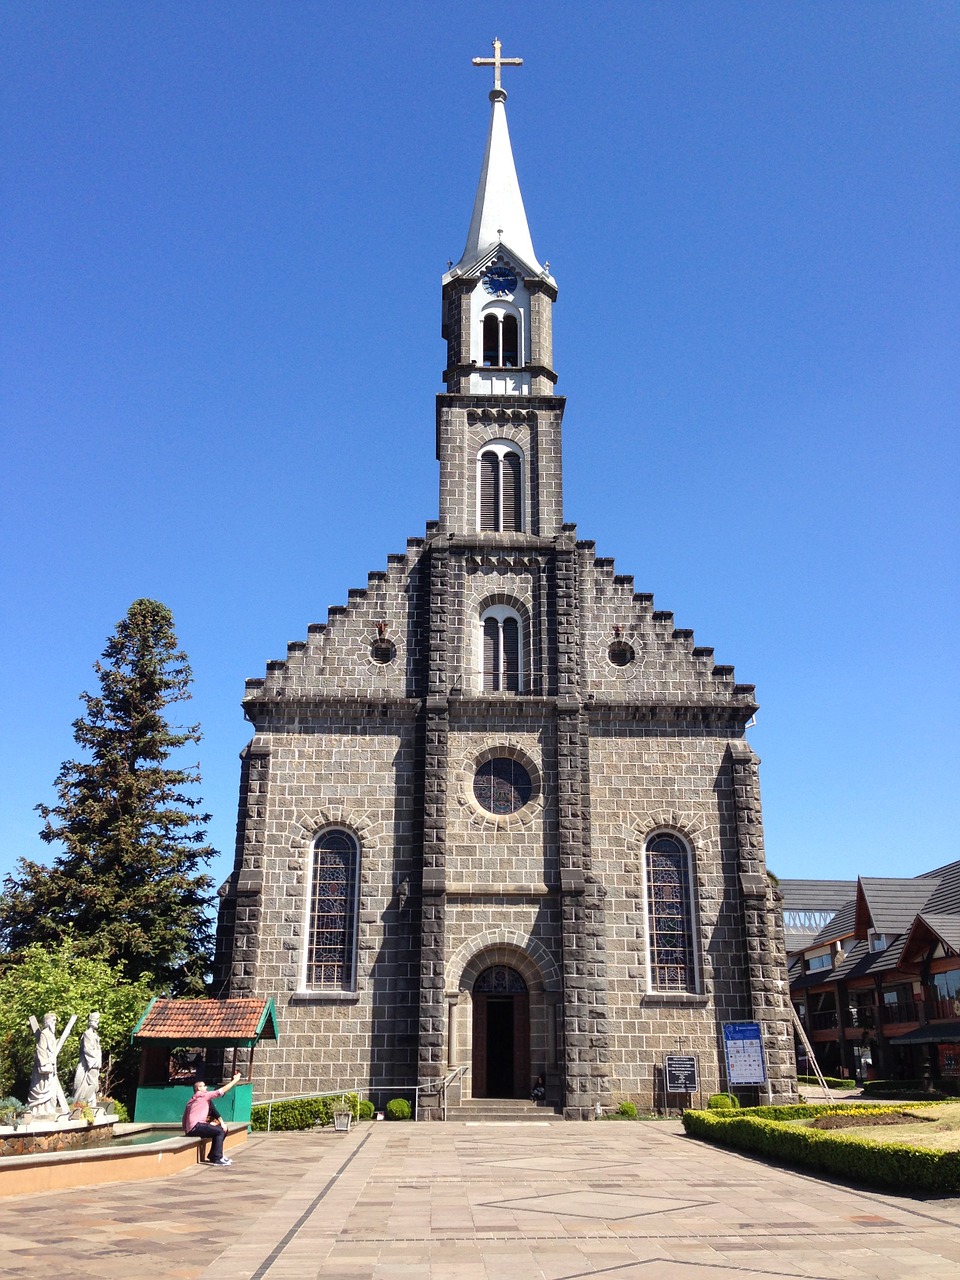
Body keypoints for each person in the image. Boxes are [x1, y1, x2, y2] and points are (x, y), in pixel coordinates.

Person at [182, 1072, 242, 1166]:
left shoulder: (192, 1099)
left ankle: (214, 1155)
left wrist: (186, 1130)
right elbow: (222, 1091)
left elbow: (185, 1117)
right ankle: (217, 1158)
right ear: (199, 1088)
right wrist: (235, 1080)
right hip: (196, 1127)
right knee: (220, 1131)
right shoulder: (203, 1096)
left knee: (220, 1130)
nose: (206, 1087)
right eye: (204, 1086)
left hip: (193, 1128)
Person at [27, 1013, 60, 1114]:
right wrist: (45, 1064)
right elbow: (41, 1049)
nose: (55, 1023)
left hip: (51, 1067)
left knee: (52, 1091)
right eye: (53, 1021)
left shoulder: (51, 1034)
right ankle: (40, 1110)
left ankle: (49, 1109)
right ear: (48, 1022)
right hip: (44, 1068)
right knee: (42, 1090)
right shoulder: (44, 1034)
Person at [73, 1011, 102, 1106]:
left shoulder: (95, 1035)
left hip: (95, 1063)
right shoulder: (87, 1034)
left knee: (94, 1083)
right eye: (96, 1020)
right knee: (90, 1083)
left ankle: (89, 1103)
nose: (98, 1022)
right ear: (91, 1021)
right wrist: (94, 1062)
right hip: (90, 1063)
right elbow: (88, 1050)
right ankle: (82, 1103)